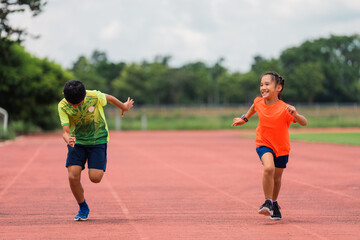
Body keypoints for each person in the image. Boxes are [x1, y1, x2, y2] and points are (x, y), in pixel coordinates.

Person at [232, 72, 307, 220]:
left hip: (282, 147)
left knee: (277, 178)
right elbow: (254, 107)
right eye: (261, 84)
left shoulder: (285, 109)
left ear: (278, 87)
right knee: (269, 168)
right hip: (263, 143)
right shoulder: (259, 101)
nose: (263, 87)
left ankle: (274, 203)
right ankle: (267, 202)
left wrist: (296, 114)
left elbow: (304, 122)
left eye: (267, 84)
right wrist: (244, 119)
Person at [58, 80, 134, 221]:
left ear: (84, 95)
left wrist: (123, 106)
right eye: (72, 104)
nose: (75, 106)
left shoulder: (94, 96)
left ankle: (95, 165)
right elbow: (65, 131)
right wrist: (68, 139)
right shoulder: (62, 106)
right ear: (64, 96)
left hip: (97, 140)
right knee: (72, 175)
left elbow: (109, 98)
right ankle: (83, 207)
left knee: (95, 178)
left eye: (78, 104)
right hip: (77, 142)